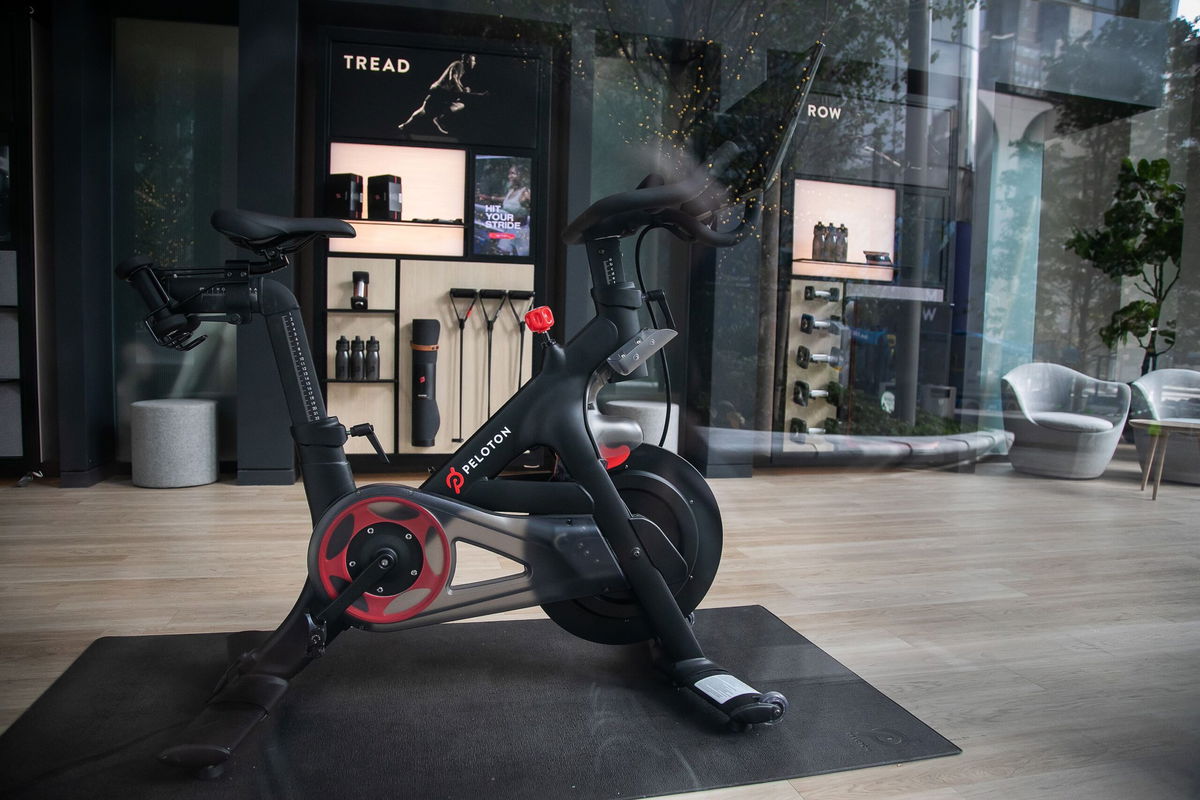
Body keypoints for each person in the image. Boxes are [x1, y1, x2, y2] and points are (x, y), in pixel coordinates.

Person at [398, 54, 482, 135]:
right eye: (473, 60)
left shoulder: (462, 68)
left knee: (423, 110)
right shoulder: (458, 64)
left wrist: (463, 90)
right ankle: (439, 119)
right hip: (440, 91)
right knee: (460, 105)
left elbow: (457, 81)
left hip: (438, 91)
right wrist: (463, 93)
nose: (474, 63)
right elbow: (453, 79)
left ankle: (404, 126)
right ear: (468, 60)